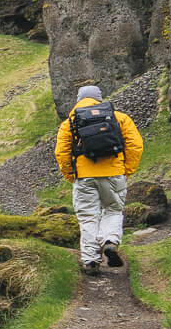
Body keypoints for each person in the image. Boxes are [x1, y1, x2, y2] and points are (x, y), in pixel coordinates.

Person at [54, 84, 144, 276]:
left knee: (88, 216)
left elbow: (61, 153)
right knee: (112, 210)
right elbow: (135, 145)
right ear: (99, 99)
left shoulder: (70, 123)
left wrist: (71, 175)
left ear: (79, 100)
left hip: (84, 177)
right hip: (114, 174)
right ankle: (110, 242)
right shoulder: (119, 118)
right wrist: (126, 169)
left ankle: (91, 261)